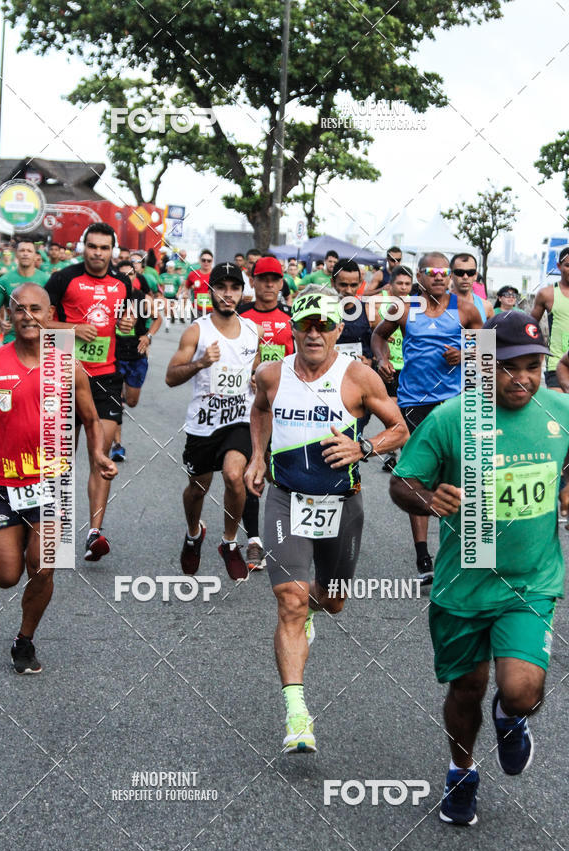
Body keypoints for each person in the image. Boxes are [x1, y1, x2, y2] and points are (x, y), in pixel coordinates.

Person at [390, 311, 569, 826]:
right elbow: (402, 483)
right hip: (466, 577)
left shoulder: (559, 413)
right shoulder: (451, 419)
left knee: (522, 691)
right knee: (466, 688)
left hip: (529, 581)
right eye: (510, 366)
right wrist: (430, 497)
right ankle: (461, 770)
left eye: (534, 366)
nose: (524, 378)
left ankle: (511, 718)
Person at [245, 286, 408, 752]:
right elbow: (259, 412)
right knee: (290, 601)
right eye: (305, 324)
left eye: (324, 324)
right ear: (292, 327)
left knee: (331, 601)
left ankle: (315, 610)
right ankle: (297, 715)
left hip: (341, 503)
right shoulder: (270, 374)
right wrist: (258, 456)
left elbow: (399, 428)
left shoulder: (359, 377)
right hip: (284, 499)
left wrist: (365, 447)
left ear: (339, 328)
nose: (314, 333)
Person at [0, 283, 117, 673]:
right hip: (0, 485)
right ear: (10, 316)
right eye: (19, 309)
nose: (27, 315)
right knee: (5, 577)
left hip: (51, 485)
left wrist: (99, 453)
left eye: (36, 309)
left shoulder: (69, 366)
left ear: (50, 316)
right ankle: (15, 546)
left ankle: (25, 639)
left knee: (44, 565)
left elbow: (91, 419)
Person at [371, 252, 483, 584]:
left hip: (453, 402)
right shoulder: (405, 307)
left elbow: (485, 344)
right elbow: (379, 335)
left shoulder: (464, 308)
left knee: (462, 469)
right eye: (431, 271)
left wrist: (466, 353)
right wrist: (380, 359)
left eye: (443, 272)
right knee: (415, 476)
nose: (439, 276)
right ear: (420, 276)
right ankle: (424, 557)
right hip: (414, 401)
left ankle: (470, 548)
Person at [166, 262, 262, 582]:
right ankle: (194, 533)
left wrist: (255, 382)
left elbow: (255, 368)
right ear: (210, 291)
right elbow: (170, 377)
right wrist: (201, 362)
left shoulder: (252, 330)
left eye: (234, 287)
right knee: (197, 489)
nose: (228, 294)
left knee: (236, 476)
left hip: (238, 419)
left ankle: (229, 542)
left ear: (242, 292)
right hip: (203, 424)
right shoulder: (198, 330)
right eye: (221, 287)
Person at [44, 222, 134, 561]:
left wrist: (128, 326)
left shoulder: (122, 283)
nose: (98, 253)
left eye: (104, 248)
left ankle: (95, 533)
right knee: (61, 460)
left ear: (113, 250)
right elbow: (37, 322)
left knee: (102, 454)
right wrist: (71, 329)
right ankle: (52, 528)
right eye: (92, 246)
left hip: (106, 379)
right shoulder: (63, 279)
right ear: (84, 246)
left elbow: (126, 321)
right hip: (64, 376)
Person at [239, 256, 294, 571]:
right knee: (252, 467)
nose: (270, 284)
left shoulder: (291, 317)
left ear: (282, 281)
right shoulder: (241, 316)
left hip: (286, 407)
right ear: (253, 280)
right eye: (263, 278)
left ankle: (289, 537)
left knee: (283, 473)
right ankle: (254, 541)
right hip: (249, 405)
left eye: (275, 278)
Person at [110, 260, 163, 462]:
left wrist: (148, 336)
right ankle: (117, 445)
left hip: (136, 356)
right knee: (115, 402)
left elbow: (158, 319)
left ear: (135, 277)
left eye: (129, 275)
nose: (126, 278)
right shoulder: (109, 298)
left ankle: (122, 398)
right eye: (121, 275)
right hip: (114, 357)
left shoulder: (141, 299)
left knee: (131, 401)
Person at [376, 264, 414, 471]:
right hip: (390, 366)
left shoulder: (416, 307)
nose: (404, 287)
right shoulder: (383, 304)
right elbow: (375, 330)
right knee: (392, 410)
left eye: (408, 283)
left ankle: (398, 451)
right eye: (399, 283)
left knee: (404, 412)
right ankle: (392, 452)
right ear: (391, 285)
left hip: (408, 367)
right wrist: (382, 357)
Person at [0, 240, 50, 344]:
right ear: (16, 254)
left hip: (40, 336)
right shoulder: (5, 280)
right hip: (13, 337)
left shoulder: (46, 279)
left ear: (35, 256)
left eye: (29, 251)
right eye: (22, 250)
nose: (25, 254)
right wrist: (1, 322)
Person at [530, 245, 569, 390]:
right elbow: (530, 325)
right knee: (559, 407)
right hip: (556, 363)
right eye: (568, 265)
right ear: (559, 266)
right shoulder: (547, 294)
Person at [450, 253, 494, 322]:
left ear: (475, 275)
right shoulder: (437, 304)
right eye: (459, 272)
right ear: (451, 275)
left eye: (470, 272)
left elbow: (493, 332)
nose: (465, 277)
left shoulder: (486, 306)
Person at [179, 249, 214, 316]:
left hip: (212, 310)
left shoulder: (216, 274)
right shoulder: (193, 274)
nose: (206, 262)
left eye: (209, 261)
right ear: (200, 261)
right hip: (196, 309)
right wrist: (185, 293)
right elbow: (186, 286)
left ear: (212, 261)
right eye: (204, 260)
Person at [159, 259, 183, 327]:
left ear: (173, 268)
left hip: (173, 295)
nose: (169, 269)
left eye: (171, 267)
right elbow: (159, 285)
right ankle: (167, 325)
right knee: (167, 309)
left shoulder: (176, 277)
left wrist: (178, 293)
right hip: (165, 295)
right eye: (168, 267)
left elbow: (180, 286)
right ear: (166, 267)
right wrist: (161, 293)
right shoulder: (162, 276)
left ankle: (172, 316)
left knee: (172, 309)